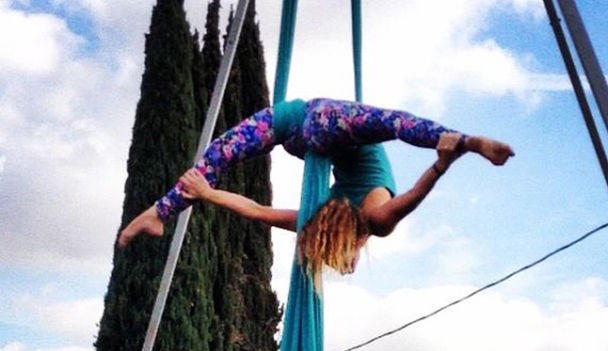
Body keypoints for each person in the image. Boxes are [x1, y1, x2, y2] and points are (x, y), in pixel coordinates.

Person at [118, 98, 514, 276]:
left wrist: (443, 164)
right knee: (217, 157)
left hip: (318, 123)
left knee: (395, 124)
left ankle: (468, 141)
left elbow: (413, 197)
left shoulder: (343, 218)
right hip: (300, 130)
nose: (351, 265)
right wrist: (207, 194)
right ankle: (158, 213)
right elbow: (256, 211)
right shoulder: (343, 217)